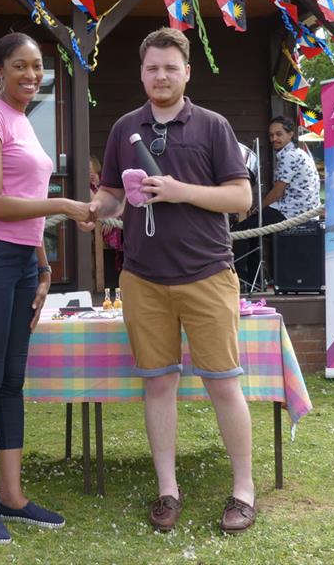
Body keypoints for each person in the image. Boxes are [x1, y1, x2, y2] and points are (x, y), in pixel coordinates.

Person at [79, 27, 257, 534]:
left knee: (224, 385)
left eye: (170, 68)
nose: (161, 76)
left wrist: (180, 190)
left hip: (207, 274)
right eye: (152, 68)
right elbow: (113, 196)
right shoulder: (123, 129)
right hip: (142, 278)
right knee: (158, 385)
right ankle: (167, 489)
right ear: (142, 73)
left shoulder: (213, 126)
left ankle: (243, 490)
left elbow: (240, 200)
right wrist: (98, 208)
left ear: (186, 73)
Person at [0, 32, 92, 544]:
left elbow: (24, 195)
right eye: (20, 66)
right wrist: (63, 206)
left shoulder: (25, 122)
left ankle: (11, 495)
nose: (31, 76)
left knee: (12, 379)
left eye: (37, 67)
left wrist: (41, 263)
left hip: (18, 262)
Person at [232, 116, 321, 289]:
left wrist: (258, 209)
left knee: (240, 231)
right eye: (271, 135)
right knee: (254, 232)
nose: (274, 139)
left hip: (293, 211)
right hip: (299, 208)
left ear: (290, 134)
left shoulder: (289, 156)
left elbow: (277, 192)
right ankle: (254, 282)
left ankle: (240, 283)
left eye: (279, 134)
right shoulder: (298, 153)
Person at [89, 155, 124, 276]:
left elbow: (116, 203)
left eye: (93, 171)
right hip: (100, 222)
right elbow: (97, 205)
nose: (91, 175)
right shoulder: (87, 188)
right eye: (88, 172)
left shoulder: (104, 184)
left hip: (112, 219)